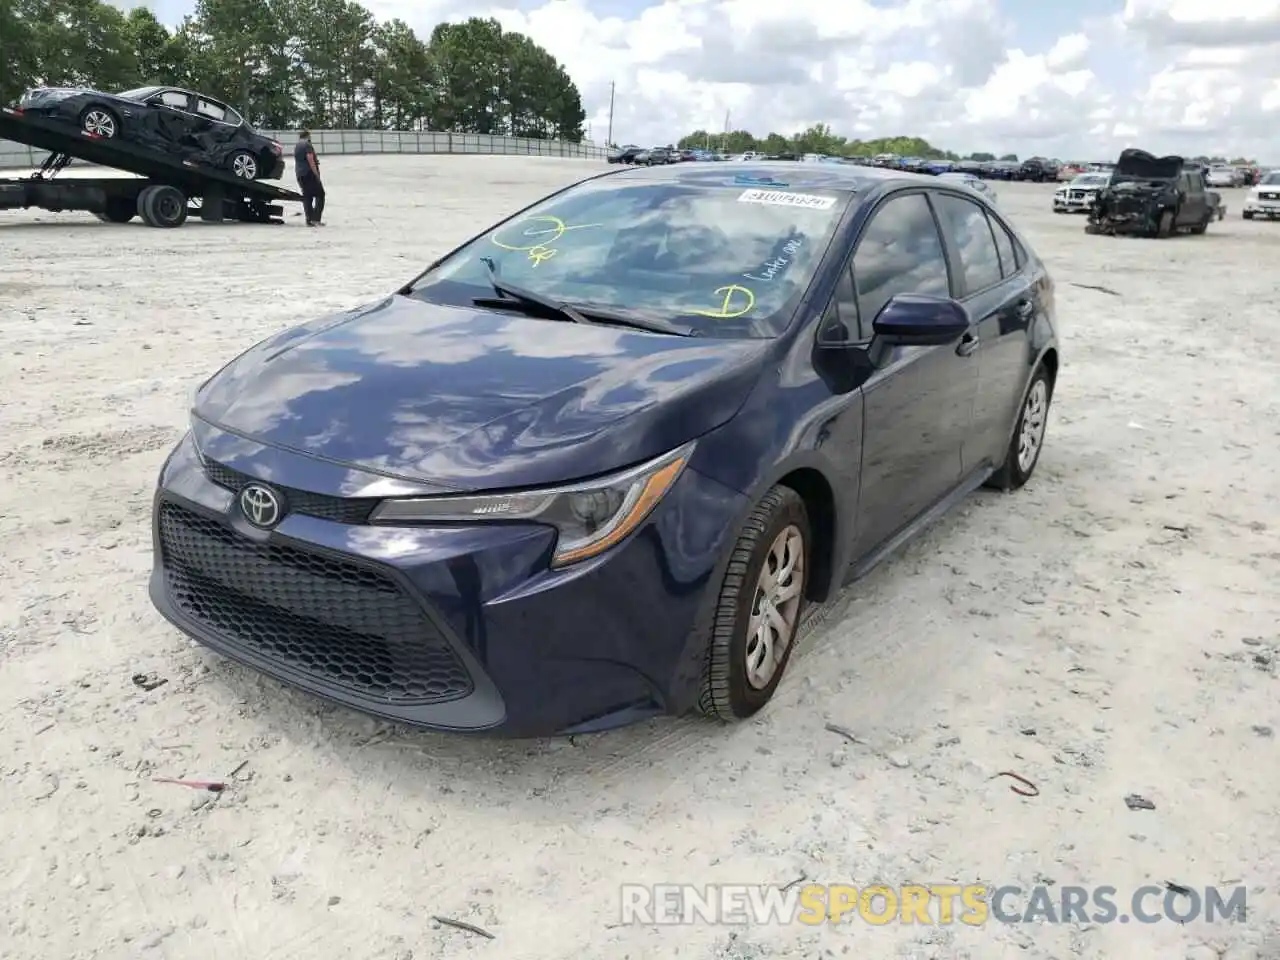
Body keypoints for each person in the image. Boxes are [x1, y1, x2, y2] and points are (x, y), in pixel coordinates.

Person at [294, 130, 325, 227]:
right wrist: (316, 174)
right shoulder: (307, 145)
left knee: (307, 197)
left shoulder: (297, 146)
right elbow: (310, 159)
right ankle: (316, 219)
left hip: (300, 174)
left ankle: (309, 220)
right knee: (320, 195)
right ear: (307, 136)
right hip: (309, 174)